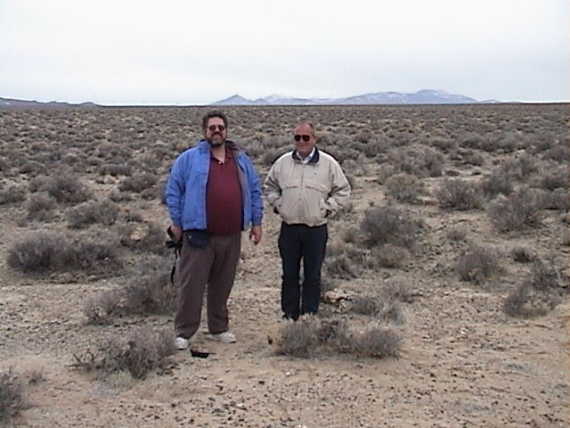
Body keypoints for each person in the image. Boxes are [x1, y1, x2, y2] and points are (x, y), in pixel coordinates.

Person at [165, 111, 263, 350]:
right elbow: (173, 190)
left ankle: (218, 327)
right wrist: (177, 222)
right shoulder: (189, 159)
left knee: (223, 284)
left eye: (220, 127)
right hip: (198, 233)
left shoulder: (240, 160)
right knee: (192, 285)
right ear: (204, 132)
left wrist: (257, 222)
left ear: (226, 130)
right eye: (212, 128)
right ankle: (184, 331)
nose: (216, 131)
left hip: (231, 233)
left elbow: (254, 189)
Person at [265, 122, 350, 320]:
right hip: (290, 229)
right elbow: (269, 186)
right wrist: (278, 204)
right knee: (289, 274)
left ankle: (309, 316)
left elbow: (343, 190)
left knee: (312, 275)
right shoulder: (283, 163)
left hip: (316, 229)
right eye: (297, 138)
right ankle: (289, 315)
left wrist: (327, 209)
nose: (301, 142)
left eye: (306, 137)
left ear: (314, 139)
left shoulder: (328, 164)